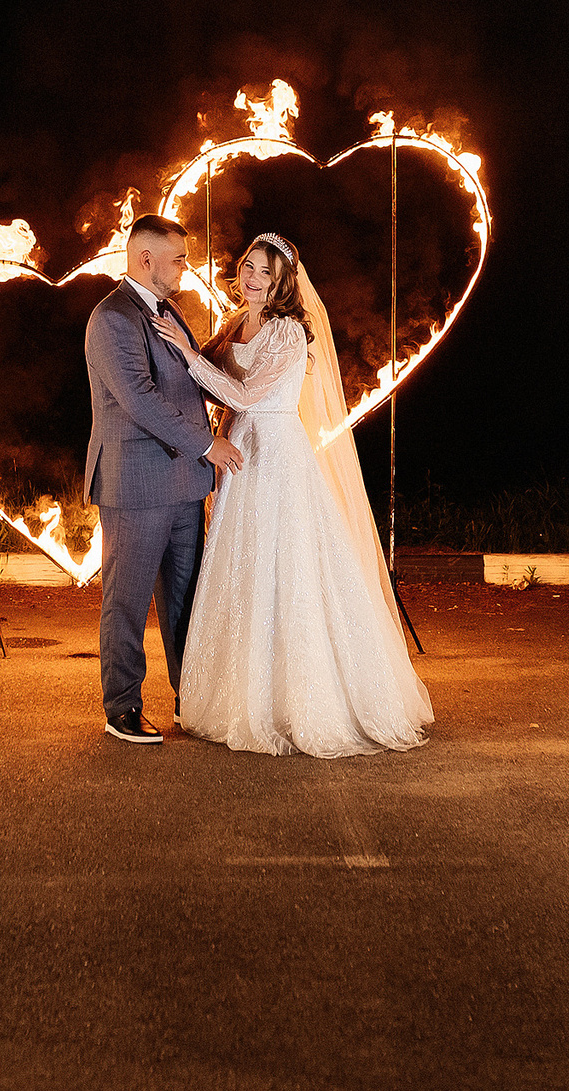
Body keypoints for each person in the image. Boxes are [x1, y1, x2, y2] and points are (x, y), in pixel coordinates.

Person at [149, 233, 432, 757]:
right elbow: (208, 381)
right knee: (243, 565)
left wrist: (186, 351)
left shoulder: (288, 331)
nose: (252, 277)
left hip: (274, 451)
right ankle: (240, 694)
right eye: (248, 267)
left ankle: (301, 699)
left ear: (283, 282)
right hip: (237, 450)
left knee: (288, 564)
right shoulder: (237, 322)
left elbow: (246, 393)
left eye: (265, 272)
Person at [82, 213, 243, 744]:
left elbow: (191, 376)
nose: (185, 267)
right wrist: (207, 444)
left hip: (185, 484)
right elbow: (139, 400)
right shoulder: (113, 318)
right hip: (136, 484)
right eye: (178, 258)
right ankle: (122, 706)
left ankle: (187, 697)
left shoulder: (169, 311)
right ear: (145, 258)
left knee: (185, 596)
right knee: (125, 600)